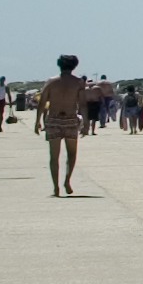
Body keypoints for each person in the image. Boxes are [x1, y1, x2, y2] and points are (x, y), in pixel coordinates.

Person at [37, 55, 87, 196]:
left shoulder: (51, 82)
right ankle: (67, 180)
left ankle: (56, 187)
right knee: (71, 153)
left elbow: (42, 102)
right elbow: (83, 104)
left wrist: (37, 121)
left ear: (59, 65)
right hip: (70, 118)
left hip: (54, 118)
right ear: (74, 66)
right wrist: (86, 123)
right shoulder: (78, 83)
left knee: (54, 156)